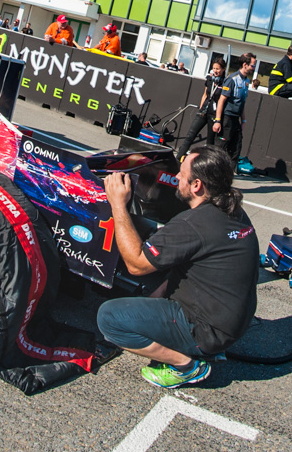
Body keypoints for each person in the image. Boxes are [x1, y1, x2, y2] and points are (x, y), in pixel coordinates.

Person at [96, 146, 259, 390]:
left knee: (109, 318)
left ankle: (186, 366)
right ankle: (200, 347)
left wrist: (118, 204)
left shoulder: (192, 225)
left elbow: (136, 265)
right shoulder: (234, 210)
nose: (177, 178)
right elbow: (188, 263)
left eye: (182, 174)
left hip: (209, 332)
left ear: (197, 186)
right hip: (233, 320)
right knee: (155, 282)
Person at [211, 54, 256, 173]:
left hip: (236, 120)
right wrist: (218, 121)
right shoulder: (232, 79)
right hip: (226, 118)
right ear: (245, 65)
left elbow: (242, 102)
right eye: (253, 65)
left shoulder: (246, 81)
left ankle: (227, 178)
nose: (254, 67)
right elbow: (221, 101)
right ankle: (211, 174)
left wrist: (244, 120)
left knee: (236, 149)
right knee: (220, 148)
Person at [177, 58, 228, 156]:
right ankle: (179, 157)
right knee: (190, 135)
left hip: (214, 115)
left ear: (223, 69)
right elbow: (205, 94)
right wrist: (201, 109)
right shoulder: (209, 79)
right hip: (203, 111)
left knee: (210, 142)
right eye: (214, 68)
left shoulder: (225, 83)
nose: (215, 71)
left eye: (218, 69)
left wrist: (218, 119)